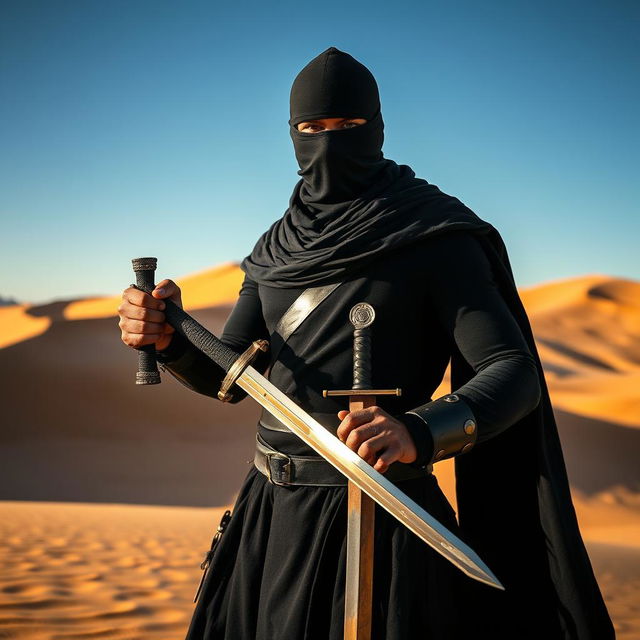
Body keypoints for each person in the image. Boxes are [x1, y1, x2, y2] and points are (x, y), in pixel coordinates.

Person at [118, 47, 614, 639]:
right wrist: (168, 337)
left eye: (347, 127)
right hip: (270, 514)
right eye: (311, 129)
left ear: (377, 128)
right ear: (291, 135)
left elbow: (513, 372)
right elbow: (229, 377)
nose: (329, 142)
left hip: (381, 512)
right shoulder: (277, 246)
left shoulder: (433, 234)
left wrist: (419, 431)